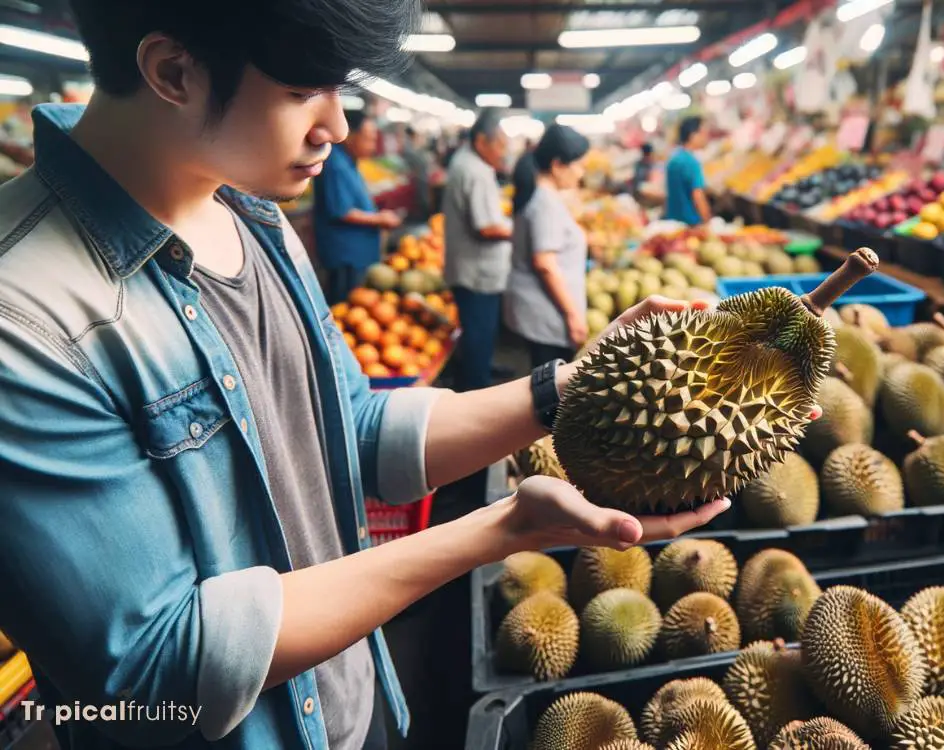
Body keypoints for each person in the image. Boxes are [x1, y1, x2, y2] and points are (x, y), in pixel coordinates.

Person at [0, 3, 735, 750]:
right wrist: (500, 530)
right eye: (301, 92)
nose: (339, 127)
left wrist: (568, 388)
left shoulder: (252, 215)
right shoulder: (24, 318)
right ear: (173, 72)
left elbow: (348, 428)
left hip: (353, 704)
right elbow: (154, 667)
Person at [504, 125, 592, 367]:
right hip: (547, 315)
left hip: (542, 312)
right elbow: (545, 264)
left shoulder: (542, 196)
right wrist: (573, 316)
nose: (581, 173)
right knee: (551, 391)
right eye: (578, 165)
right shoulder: (545, 204)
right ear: (557, 165)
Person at [442, 108, 513, 393]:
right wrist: (519, 231)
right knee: (478, 332)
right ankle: (475, 387)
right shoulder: (476, 171)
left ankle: (481, 368)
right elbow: (485, 228)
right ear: (482, 141)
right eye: (500, 146)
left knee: (480, 332)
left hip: (470, 266)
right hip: (477, 271)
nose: (503, 153)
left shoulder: (465, 161)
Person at [313, 108, 403, 303]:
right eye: (368, 139)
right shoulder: (336, 165)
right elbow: (341, 211)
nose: (372, 146)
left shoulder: (348, 161)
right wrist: (380, 218)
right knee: (346, 308)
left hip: (355, 253)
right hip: (346, 255)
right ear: (349, 136)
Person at [664, 116, 712, 226]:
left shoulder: (674, 159)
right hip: (691, 224)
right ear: (693, 135)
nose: (706, 138)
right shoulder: (692, 162)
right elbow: (698, 195)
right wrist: (708, 222)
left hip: (673, 222)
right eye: (703, 133)